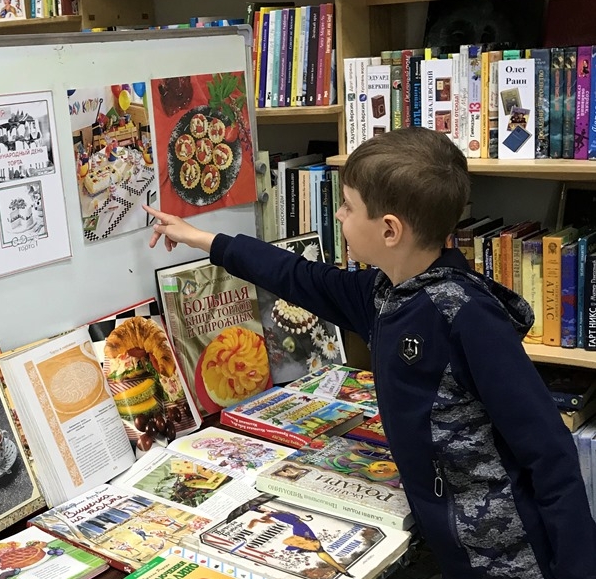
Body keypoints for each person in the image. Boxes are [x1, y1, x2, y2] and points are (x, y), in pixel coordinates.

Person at [144, 127, 596, 579]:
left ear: (389, 230)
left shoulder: (466, 316)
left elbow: (549, 451)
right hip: (442, 536)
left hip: (505, 555)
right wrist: (204, 239)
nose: (338, 215)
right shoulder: (382, 292)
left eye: (346, 206)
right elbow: (297, 275)